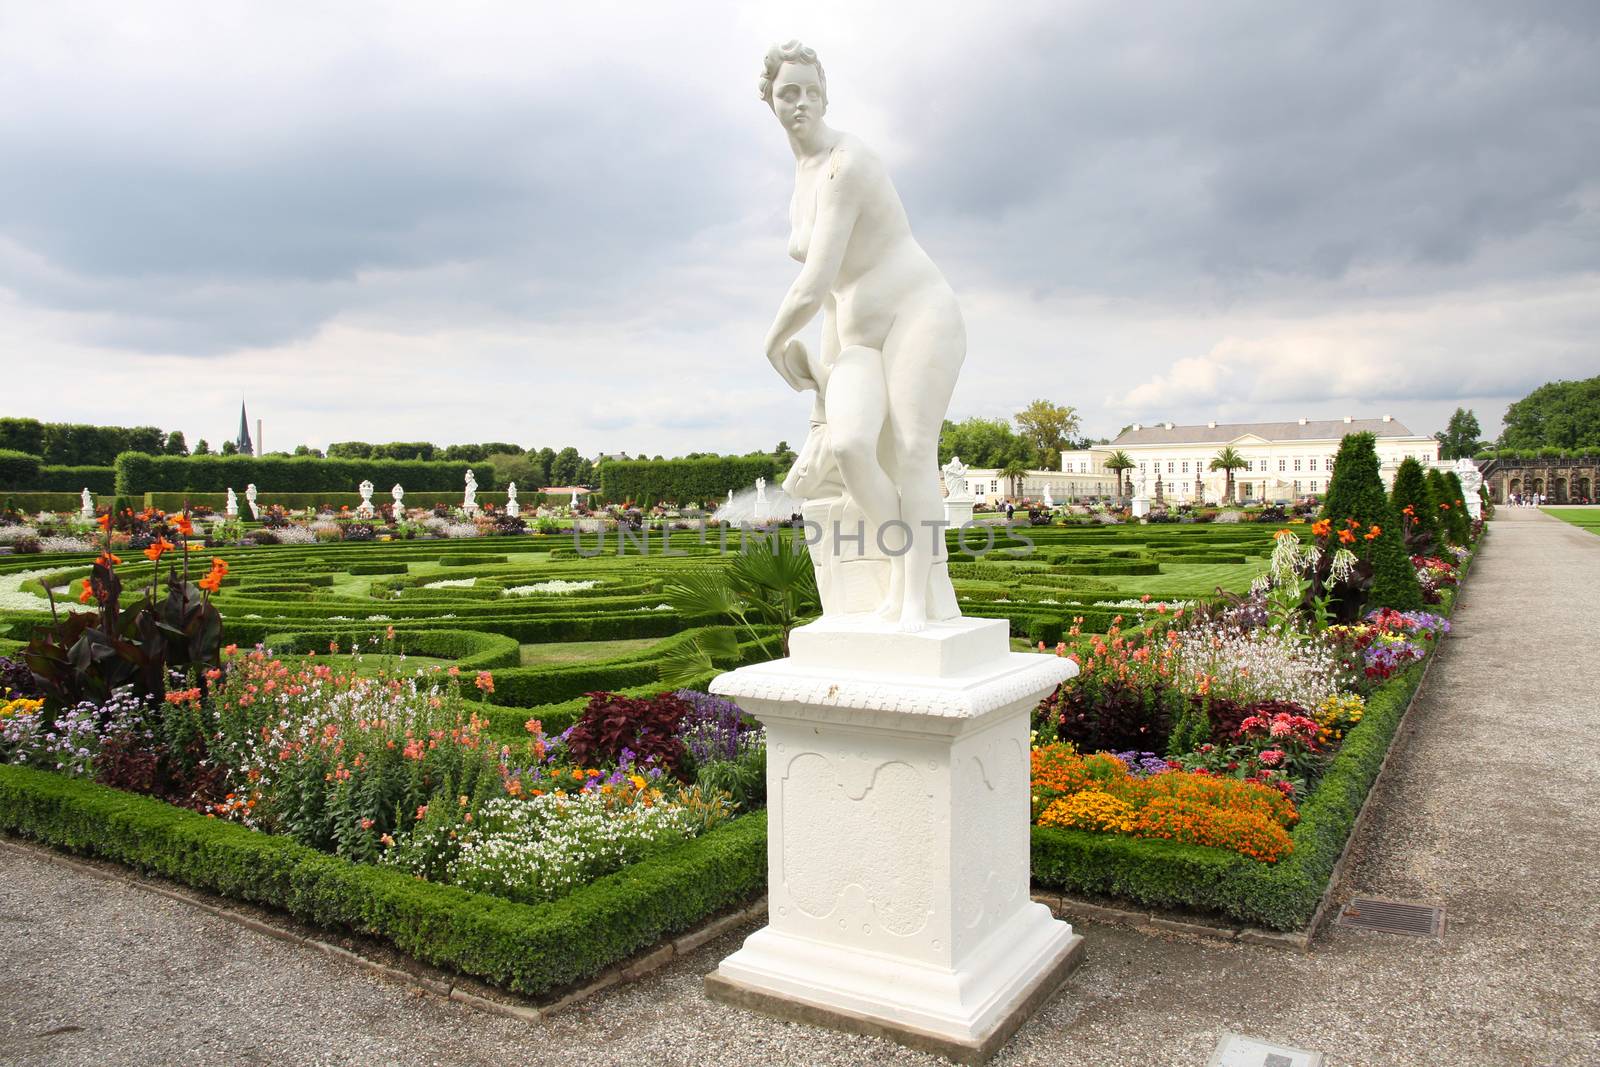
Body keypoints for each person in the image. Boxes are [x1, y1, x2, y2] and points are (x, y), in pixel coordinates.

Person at [758, 40, 967, 631]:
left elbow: (816, 276)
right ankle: (907, 567)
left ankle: (915, 599)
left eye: (811, 91)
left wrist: (772, 343)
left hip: (917, 313)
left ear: (826, 95)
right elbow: (828, 296)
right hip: (854, 334)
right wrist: (822, 395)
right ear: (769, 99)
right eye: (788, 92)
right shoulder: (801, 177)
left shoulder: (848, 162)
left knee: (911, 454)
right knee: (849, 448)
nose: (801, 103)